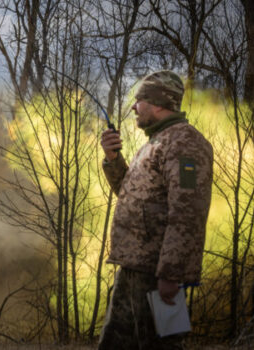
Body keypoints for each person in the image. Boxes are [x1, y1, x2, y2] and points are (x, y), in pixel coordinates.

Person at [98, 71, 213, 350]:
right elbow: (132, 196)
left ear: (159, 103)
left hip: (157, 272)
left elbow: (187, 213)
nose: (134, 107)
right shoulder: (154, 143)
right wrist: (113, 159)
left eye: (140, 101)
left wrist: (171, 274)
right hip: (133, 269)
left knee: (163, 345)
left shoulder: (184, 142)